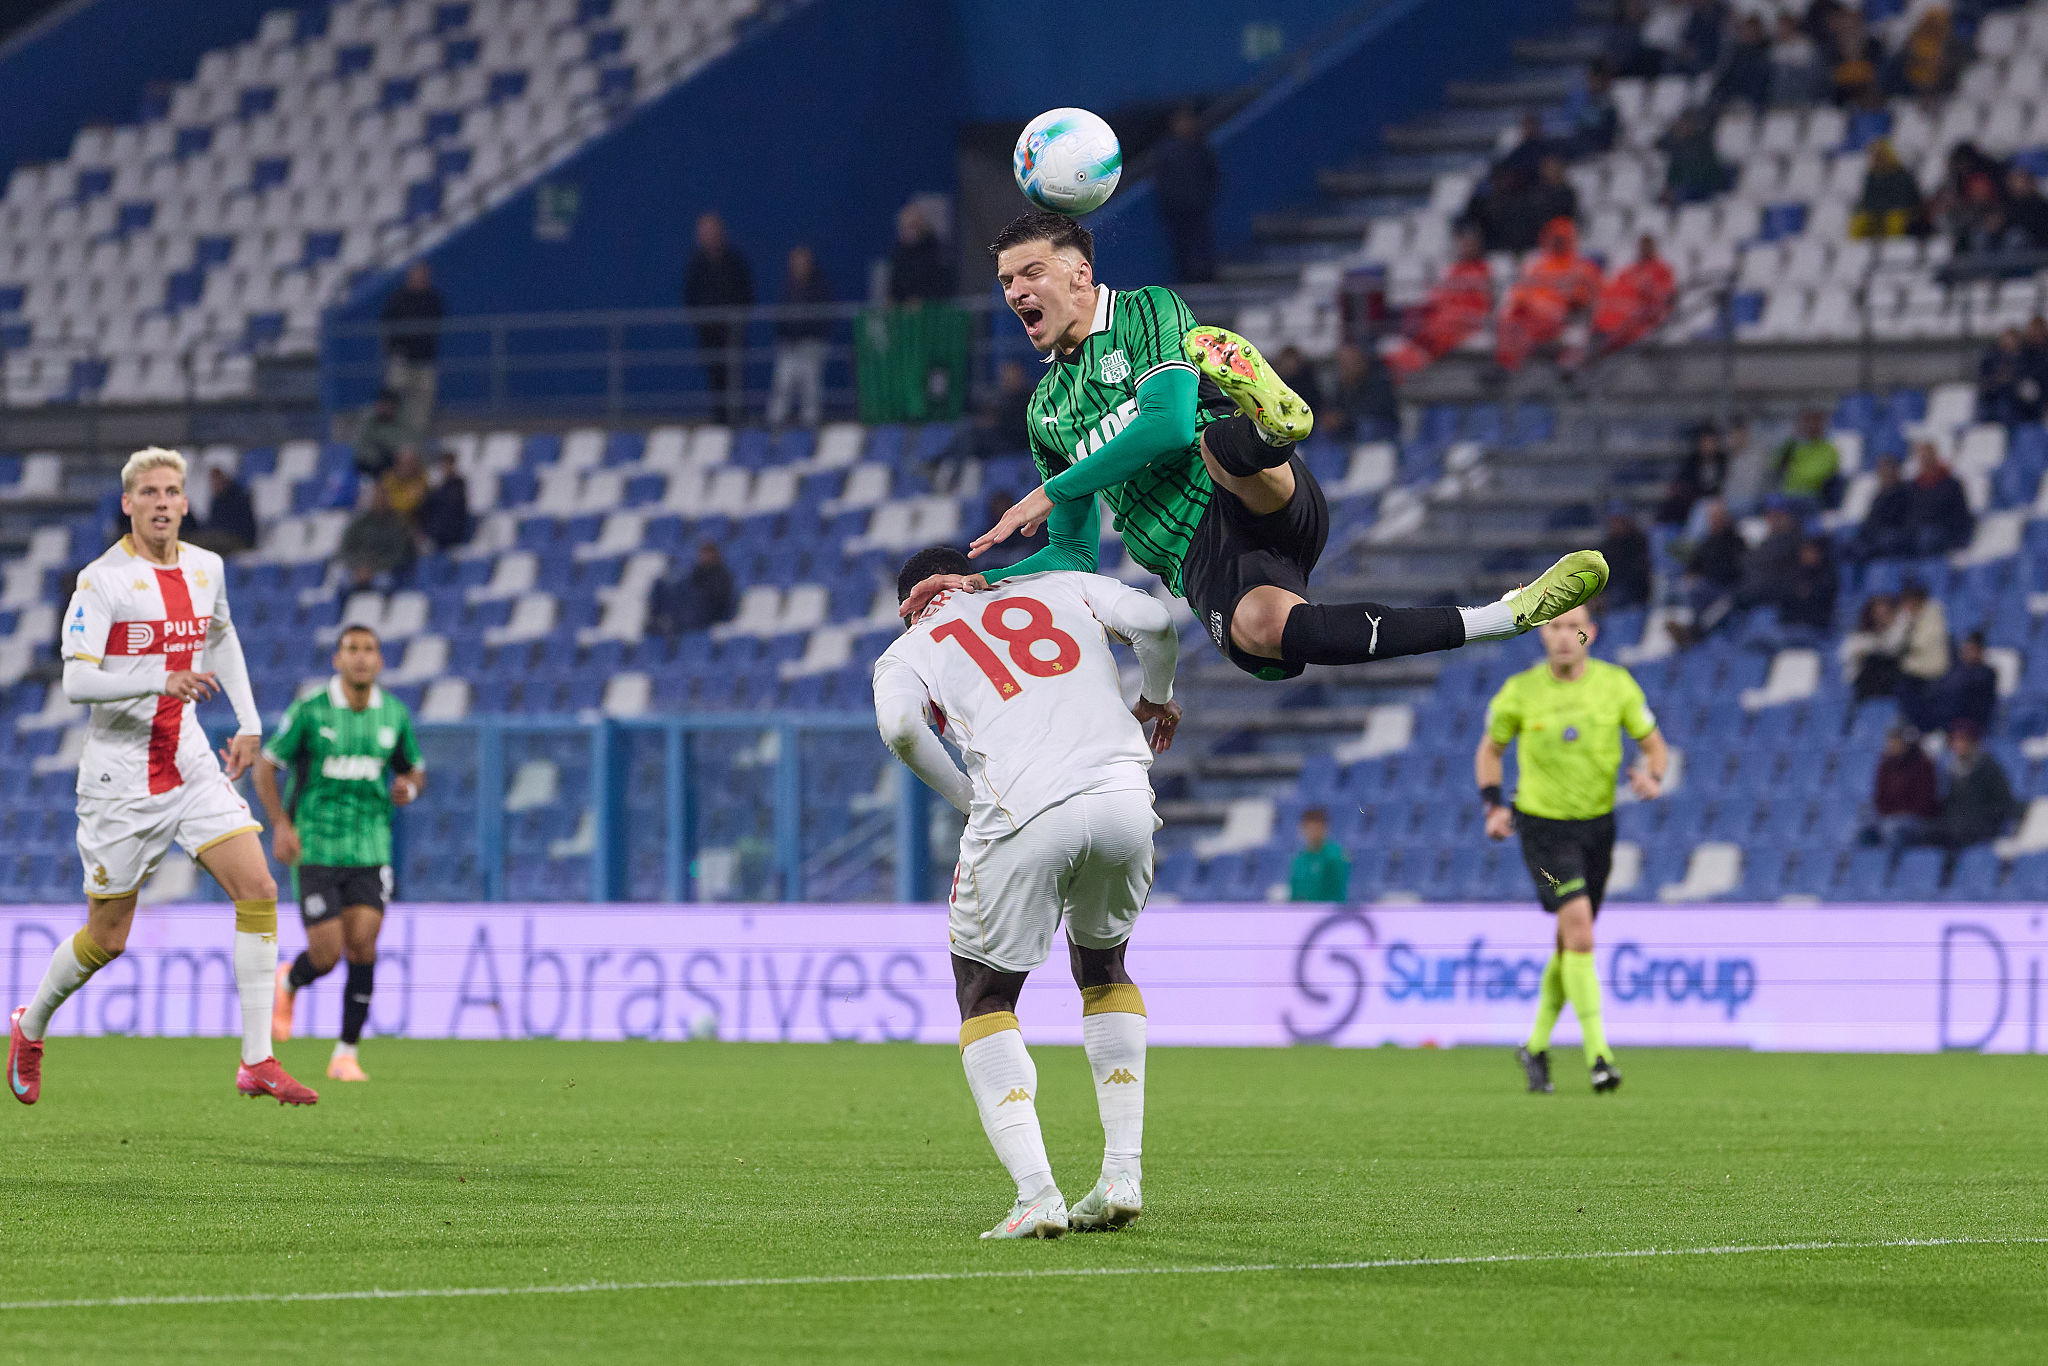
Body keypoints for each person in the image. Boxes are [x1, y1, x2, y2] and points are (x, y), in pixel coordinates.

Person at [900, 212, 1608, 686]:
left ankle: (1272, 427)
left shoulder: (1145, 309)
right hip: (1205, 560)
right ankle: (1506, 616)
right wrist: (982, 583)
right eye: (1005, 283)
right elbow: (1076, 558)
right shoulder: (1044, 412)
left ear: (1082, 275)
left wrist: (1052, 489)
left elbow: (1169, 426)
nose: (1015, 291)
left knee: (1208, 440)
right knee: (1267, 638)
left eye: (1031, 273)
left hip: (1247, 486)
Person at [872, 545, 1182, 1239]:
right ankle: (1121, 1174)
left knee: (984, 992)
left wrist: (965, 796)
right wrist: (1154, 697)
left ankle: (1037, 1193)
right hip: (1126, 794)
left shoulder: (910, 651)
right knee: (1104, 966)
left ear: (908, 607)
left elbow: (899, 728)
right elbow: (1157, 622)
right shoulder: (1060, 583)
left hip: (1023, 808)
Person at [8, 447, 315, 1107]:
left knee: (259, 886)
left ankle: (256, 1058)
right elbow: (76, 681)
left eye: (172, 490)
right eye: (148, 492)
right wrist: (160, 676)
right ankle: (30, 1025)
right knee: (107, 937)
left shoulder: (207, 568)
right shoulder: (103, 580)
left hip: (189, 759)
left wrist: (250, 721)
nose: (162, 502)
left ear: (184, 500)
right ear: (128, 503)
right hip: (121, 778)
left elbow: (223, 635)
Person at [1477, 605, 1667, 1096]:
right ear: (1543, 633)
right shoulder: (1520, 692)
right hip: (1542, 830)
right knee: (1579, 926)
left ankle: (1535, 1046)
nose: (1564, 636)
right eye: (1555, 626)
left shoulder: (1617, 685)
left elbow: (1655, 745)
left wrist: (1653, 776)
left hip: (1597, 829)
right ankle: (1599, 1055)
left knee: (1570, 942)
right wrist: (1493, 806)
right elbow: (1490, 750)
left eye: (1573, 626)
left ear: (1592, 632)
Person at [256, 625, 424, 1083]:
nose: (361, 658)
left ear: (380, 661)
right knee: (327, 954)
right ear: (338, 659)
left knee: (363, 946)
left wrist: (409, 786)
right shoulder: (311, 711)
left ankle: (346, 1054)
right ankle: (290, 980)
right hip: (318, 847)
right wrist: (281, 824)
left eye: (370, 649)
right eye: (352, 649)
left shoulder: (393, 714)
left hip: (372, 848)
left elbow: (414, 769)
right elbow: (266, 765)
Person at [1890, 720, 2021, 882]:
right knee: (1918, 835)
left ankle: (1951, 880)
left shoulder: (1988, 767)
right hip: (1953, 824)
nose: (1958, 745)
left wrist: (1985, 819)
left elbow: (2003, 802)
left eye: (1962, 740)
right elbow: (1946, 803)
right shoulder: (1952, 769)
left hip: (1980, 826)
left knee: (1955, 838)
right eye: (1956, 741)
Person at [1495, 217, 1602, 373]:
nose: (1556, 242)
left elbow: (1584, 298)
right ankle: (1504, 366)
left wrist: (1568, 298)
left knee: (1523, 330)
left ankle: (1511, 369)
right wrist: (1524, 302)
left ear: (1570, 239)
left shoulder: (1582, 268)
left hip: (1555, 314)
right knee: (1507, 321)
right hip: (1527, 310)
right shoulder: (1535, 265)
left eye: (1561, 238)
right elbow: (1518, 292)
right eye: (1554, 237)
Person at [1384, 227, 1494, 378]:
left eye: (1471, 244)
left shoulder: (1484, 269)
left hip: (1468, 317)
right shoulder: (1454, 269)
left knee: (1443, 325)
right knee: (1425, 320)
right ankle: (1408, 356)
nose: (1467, 247)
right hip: (1445, 313)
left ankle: (1419, 358)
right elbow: (1438, 294)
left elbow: (1482, 302)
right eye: (1465, 243)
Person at [683, 211, 754, 423]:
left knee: (734, 377)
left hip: (732, 331)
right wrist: (701, 320)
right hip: (708, 333)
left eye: (711, 232)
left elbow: (746, 292)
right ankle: (720, 420)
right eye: (704, 233)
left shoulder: (734, 261)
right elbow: (690, 296)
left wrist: (738, 317)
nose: (708, 236)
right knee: (715, 378)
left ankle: (737, 420)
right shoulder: (696, 264)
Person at [1153, 104, 1220, 285]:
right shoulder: (1167, 152)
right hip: (1176, 208)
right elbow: (1162, 179)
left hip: (1197, 205)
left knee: (1202, 241)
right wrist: (1171, 200)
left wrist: (1205, 195)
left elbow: (1212, 174)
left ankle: (1207, 275)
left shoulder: (1200, 148)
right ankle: (1186, 277)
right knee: (1181, 245)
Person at [768, 245, 833, 427]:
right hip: (789, 345)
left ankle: (810, 423)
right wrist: (786, 336)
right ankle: (775, 423)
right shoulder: (788, 286)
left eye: (802, 262)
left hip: (811, 344)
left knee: (811, 385)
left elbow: (823, 317)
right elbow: (781, 315)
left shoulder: (819, 286)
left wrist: (807, 333)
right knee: (782, 383)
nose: (799, 266)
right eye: (795, 263)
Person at [378, 262, 444, 439]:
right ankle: (393, 436)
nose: (421, 278)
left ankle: (416, 439)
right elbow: (387, 324)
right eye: (417, 274)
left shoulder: (432, 298)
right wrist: (395, 350)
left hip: (424, 359)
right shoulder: (398, 298)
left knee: (422, 403)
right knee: (394, 395)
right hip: (402, 359)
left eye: (424, 274)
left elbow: (437, 321)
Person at [1586, 234, 1676, 361]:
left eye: (1648, 245)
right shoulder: (1629, 271)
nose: (1645, 248)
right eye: (1642, 245)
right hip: (1625, 318)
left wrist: (1649, 289)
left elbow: (1668, 297)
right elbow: (1616, 290)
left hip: (1646, 318)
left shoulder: (1662, 269)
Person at [1859, 723, 1937, 846]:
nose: (1892, 745)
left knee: (1893, 830)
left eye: (1896, 740)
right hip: (1889, 817)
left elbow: (1924, 801)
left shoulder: (1922, 764)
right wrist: (1888, 813)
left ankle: (1893, 864)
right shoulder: (1885, 765)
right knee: (1862, 830)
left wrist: (1900, 813)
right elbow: (1880, 797)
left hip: (1916, 819)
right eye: (1890, 741)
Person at [1888, 578, 1951, 731]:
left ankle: (1925, 729)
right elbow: (1892, 643)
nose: (1908, 604)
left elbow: (1924, 642)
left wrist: (1907, 639)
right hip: (1911, 669)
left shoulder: (1934, 611)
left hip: (1933, 669)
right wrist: (1906, 622)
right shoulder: (1906, 616)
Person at [647, 541, 737, 638]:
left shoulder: (722, 574)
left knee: (689, 603)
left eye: (708, 553)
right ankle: (660, 619)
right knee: (665, 586)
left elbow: (718, 598)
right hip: (693, 609)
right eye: (703, 553)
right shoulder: (696, 572)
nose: (705, 557)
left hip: (710, 613)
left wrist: (699, 594)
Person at [337, 482, 415, 590]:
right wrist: (359, 567)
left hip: (382, 570)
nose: (379, 502)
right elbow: (345, 548)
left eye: (382, 499)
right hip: (357, 568)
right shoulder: (359, 522)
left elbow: (397, 553)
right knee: (342, 580)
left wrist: (373, 568)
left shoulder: (396, 523)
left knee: (384, 582)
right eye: (376, 499)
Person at [1655, 422, 1728, 527]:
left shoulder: (1723, 462)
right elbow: (1683, 484)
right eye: (1705, 442)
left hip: (1714, 504)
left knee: (1705, 508)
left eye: (1711, 442)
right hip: (1692, 504)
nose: (1708, 446)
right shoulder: (1692, 462)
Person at [1850, 139, 1925, 239]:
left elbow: (1905, 201)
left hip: (1902, 214)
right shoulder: (1871, 178)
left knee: (1894, 221)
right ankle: (1856, 252)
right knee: (1859, 222)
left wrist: (1883, 211)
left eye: (1880, 156)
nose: (1877, 160)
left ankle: (1894, 248)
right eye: (1875, 157)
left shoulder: (1901, 175)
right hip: (1878, 215)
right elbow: (1867, 201)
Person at [1929, 630, 1999, 735]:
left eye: (1971, 649)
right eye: (1966, 648)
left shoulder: (1986, 674)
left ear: (1980, 652)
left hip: (1969, 725)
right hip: (1945, 720)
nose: (1966, 652)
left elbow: (1963, 689)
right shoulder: (1955, 669)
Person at [1324, 342, 1399, 441]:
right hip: (1348, 427)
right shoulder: (1340, 386)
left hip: (1380, 427)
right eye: (1341, 364)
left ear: (1361, 362)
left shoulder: (1379, 382)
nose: (1344, 368)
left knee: (1366, 427)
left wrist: (1343, 418)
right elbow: (1332, 407)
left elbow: (1375, 410)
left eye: (1348, 363)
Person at [1909, 444, 1974, 555]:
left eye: (1928, 457)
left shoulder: (1952, 484)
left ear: (1935, 457)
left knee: (1927, 538)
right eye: (1922, 458)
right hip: (1920, 532)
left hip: (1945, 532)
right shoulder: (1913, 487)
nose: (1925, 461)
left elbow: (1960, 515)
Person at [1658, 108, 1730, 205]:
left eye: (1685, 124)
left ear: (1692, 126)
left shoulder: (1701, 142)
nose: (1681, 127)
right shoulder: (1674, 144)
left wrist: (1674, 190)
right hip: (1683, 185)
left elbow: (1701, 171)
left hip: (1702, 186)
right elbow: (1660, 145)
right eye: (1680, 124)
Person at [1849, 455, 1914, 562]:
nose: (1885, 476)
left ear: (1896, 472)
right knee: (1851, 547)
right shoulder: (1880, 495)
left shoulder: (1905, 493)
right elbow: (1871, 520)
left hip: (1892, 537)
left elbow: (1900, 521)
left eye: (1888, 472)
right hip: (1874, 536)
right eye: (1882, 472)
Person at [889, 202, 955, 305]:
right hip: (904, 314)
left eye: (912, 227)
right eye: (903, 228)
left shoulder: (935, 251)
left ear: (921, 227)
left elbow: (943, 285)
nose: (907, 232)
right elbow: (895, 286)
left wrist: (923, 299)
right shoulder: (899, 254)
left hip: (933, 313)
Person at [1773, 408, 1841, 506]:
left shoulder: (1829, 449)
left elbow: (1819, 474)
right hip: (1786, 495)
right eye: (1808, 422)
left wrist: (1797, 475)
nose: (1812, 426)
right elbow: (1775, 467)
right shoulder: (1793, 445)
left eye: (1816, 422)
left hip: (1813, 496)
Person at [1712, 12, 1772, 111]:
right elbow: (1724, 78)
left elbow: (1760, 87)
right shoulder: (1735, 54)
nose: (1747, 34)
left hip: (1751, 103)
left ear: (1758, 34)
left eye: (1752, 31)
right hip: (1729, 100)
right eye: (1746, 30)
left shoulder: (1762, 57)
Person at [974, 359, 1036, 456]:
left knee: (974, 434)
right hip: (998, 437)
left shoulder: (1031, 398)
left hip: (1015, 443)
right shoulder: (1002, 397)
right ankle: (952, 462)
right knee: (968, 428)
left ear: (1020, 377)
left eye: (1010, 377)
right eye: (1004, 378)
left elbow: (1021, 427)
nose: (1006, 381)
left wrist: (996, 422)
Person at [190, 464, 256, 555]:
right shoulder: (217, 500)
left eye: (217, 479)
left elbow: (242, 526)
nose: (215, 484)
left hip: (238, 539)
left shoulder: (238, 497)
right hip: (221, 537)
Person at [1287, 806, 1350, 902]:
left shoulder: (1334, 856)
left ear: (1325, 828)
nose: (1313, 832)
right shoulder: (1299, 858)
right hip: (1301, 912)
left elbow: (1338, 890)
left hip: (1326, 910)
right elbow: (1294, 889)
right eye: (1309, 828)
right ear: (1302, 828)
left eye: (1317, 828)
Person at [417, 450, 473, 552]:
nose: (445, 467)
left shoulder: (458, 485)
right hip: (434, 532)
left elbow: (453, 508)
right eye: (443, 464)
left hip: (450, 533)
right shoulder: (435, 487)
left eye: (448, 464)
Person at [1598, 506, 1652, 609]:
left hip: (1635, 599)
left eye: (1620, 521)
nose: (1616, 525)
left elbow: (1639, 574)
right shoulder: (1605, 547)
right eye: (1613, 521)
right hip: (1610, 598)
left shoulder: (1640, 545)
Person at [355, 390, 407, 479]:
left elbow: (403, 446)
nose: (384, 408)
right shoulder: (369, 423)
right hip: (370, 467)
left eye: (387, 405)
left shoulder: (402, 424)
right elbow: (362, 449)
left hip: (394, 466)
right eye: (381, 404)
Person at [1270, 345, 1323, 418]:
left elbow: (1315, 406)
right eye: (1286, 360)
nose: (1288, 364)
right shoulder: (1272, 383)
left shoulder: (1307, 385)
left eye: (1291, 360)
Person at [381, 447, 428, 525]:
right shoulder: (388, 480)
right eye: (402, 463)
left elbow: (408, 506)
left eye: (410, 463)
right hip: (389, 525)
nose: (405, 467)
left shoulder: (421, 481)